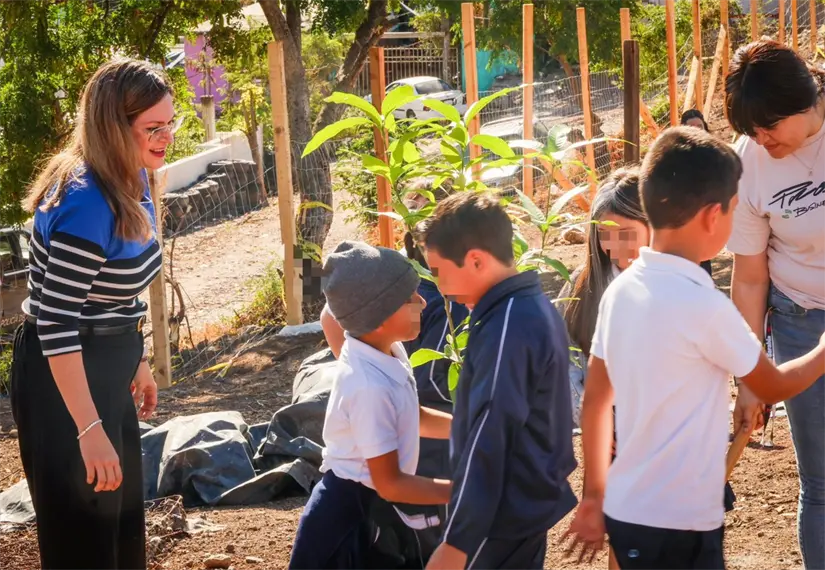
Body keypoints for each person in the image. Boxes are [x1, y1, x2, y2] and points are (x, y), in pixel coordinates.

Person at [563, 127, 825, 569]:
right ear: (711, 217)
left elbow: (595, 403)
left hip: (627, 509)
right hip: (686, 519)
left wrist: (592, 496)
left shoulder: (620, 291)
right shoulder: (705, 304)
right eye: (734, 212)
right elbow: (774, 385)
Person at [9, 58, 172, 570]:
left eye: (172, 122)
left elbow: (111, 288)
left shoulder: (133, 177)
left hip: (103, 370)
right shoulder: (86, 202)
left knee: (120, 539)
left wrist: (136, 358)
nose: (166, 137)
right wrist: (88, 428)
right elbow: (57, 320)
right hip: (65, 386)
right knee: (84, 548)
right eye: (153, 127)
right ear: (112, 127)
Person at [419, 192, 577, 570]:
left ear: (475, 260)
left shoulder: (509, 325)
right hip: (519, 507)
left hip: (498, 514)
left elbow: (490, 433)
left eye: (439, 271)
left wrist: (457, 541)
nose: (438, 286)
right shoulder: (527, 308)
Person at [289, 240, 453, 570]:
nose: (423, 302)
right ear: (378, 317)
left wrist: (468, 426)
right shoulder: (368, 387)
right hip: (348, 523)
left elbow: (412, 415)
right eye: (410, 298)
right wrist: (461, 491)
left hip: (375, 509)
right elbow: (391, 483)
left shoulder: (385, 349)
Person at [725, 40, 825, 568]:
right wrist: (750, 375)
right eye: (751, 133)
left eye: (769, 127)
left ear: (807, 101)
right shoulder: (752, 163)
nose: (762, 142)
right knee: (822, 481)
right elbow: (748, 277)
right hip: (802, 319)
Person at [559, 168, 650, 429]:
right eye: (605, 234)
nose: (615, 245)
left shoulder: (673, 282)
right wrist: (591, 416)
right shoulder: (580, 286)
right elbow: (567, 361)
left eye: (626, 233)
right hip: (604, 432)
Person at [680, 109, 715, 277]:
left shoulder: (714, 153)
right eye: (691, 127)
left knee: (702, 257)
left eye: (699, 126)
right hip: (682, 214)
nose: (696, 130)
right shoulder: (675, 155)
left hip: (705, 215)